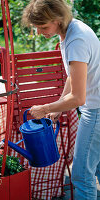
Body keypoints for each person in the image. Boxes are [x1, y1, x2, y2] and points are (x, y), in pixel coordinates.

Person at [22, 0, 100, 199]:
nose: (39, 32)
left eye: (43, 27)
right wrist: (58, 107)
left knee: (81, 176)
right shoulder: (72, 31)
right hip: (95, 105)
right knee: (96, 168)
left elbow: (79, 98)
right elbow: (74, 77)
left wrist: (45, 107)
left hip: (96, 109)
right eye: (36, 28)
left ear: (58, 19)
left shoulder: (77, 40)